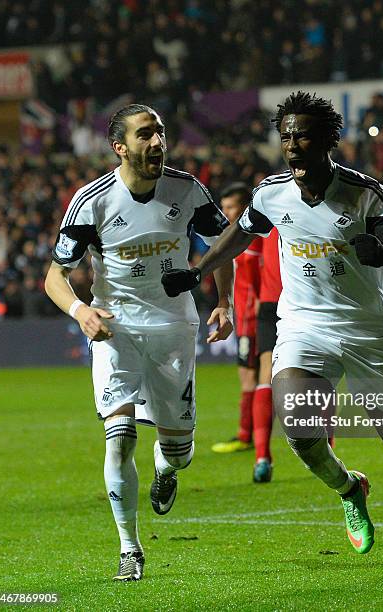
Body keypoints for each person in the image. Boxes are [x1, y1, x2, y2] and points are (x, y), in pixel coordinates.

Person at [161, 92, 383, 578]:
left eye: (303, 135)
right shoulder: (272, 192)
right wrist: (199, 272)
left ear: (328, 140)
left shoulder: (365, 194)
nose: (293, 144)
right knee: (299, 428)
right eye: (286, 135)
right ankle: (349, 489)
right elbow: (240, 234)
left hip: (367, 330)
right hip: (303, 326)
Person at [44, 104, 233, 582]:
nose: (157, 142)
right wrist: (81, 310)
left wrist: (224, 301)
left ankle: (166, 469)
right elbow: (55, 277)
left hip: (173, 327)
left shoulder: (186, 190)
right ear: (120, 146)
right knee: (120, 436)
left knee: (179, 451)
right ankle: (130, 547)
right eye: (146, 134)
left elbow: (224, 243)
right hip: (116, 327)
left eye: (161, 132)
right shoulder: (93, 202)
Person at [212, 183, 261, 454]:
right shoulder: (231, 239)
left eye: (232, 207)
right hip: (243, 319)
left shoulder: (254, 240)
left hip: (254, 322)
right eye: (225, 207)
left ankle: (246, 435)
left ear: (245, 207)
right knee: (251, 377)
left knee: (249, 378)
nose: (227, 212)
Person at [251, 226, 281, 483]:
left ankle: (326, 442)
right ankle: (262, 457)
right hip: (271, 303)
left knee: (316, 373)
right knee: (266, 371)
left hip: (306, 301)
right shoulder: (265, 210)